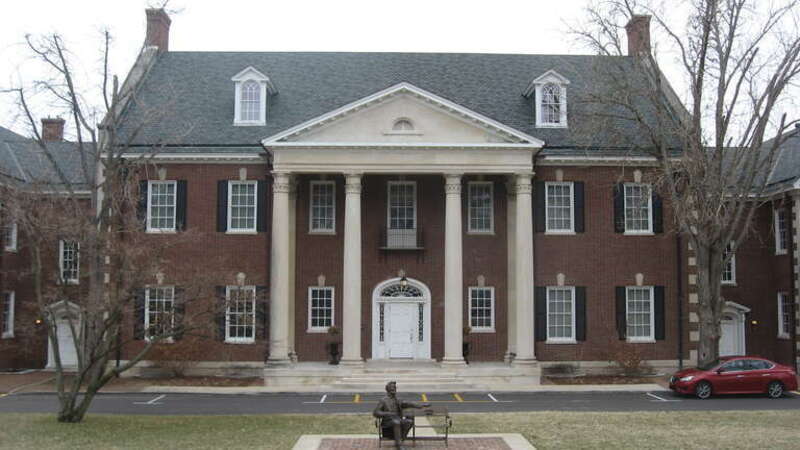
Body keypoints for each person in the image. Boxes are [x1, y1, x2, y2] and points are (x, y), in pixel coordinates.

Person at [373, 381, 431, 449]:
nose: (394, 389)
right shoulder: (383, 400)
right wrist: (388, 413)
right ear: (388, 389)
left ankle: (400, 440)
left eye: (395, 388)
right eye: (392, 388)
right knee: (396, 422)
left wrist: (421, 405)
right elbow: (376, 412)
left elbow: (409, 403)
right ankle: (399, 446)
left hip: (398, 421)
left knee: (409, 422)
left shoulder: (398, 400)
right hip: (387, 422)